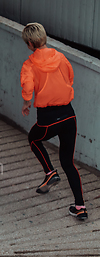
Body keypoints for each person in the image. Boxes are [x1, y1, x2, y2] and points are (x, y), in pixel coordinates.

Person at [20, 23, 87, 220]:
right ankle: (80, 207)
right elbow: (70, 77)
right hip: (68, 115)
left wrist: (26, 103)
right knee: (68, 162)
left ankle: (49, 172)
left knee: (34, 138)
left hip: (48, 118)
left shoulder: (29, 64)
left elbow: (27, 87)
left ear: (31, 43)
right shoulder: (60, 57)